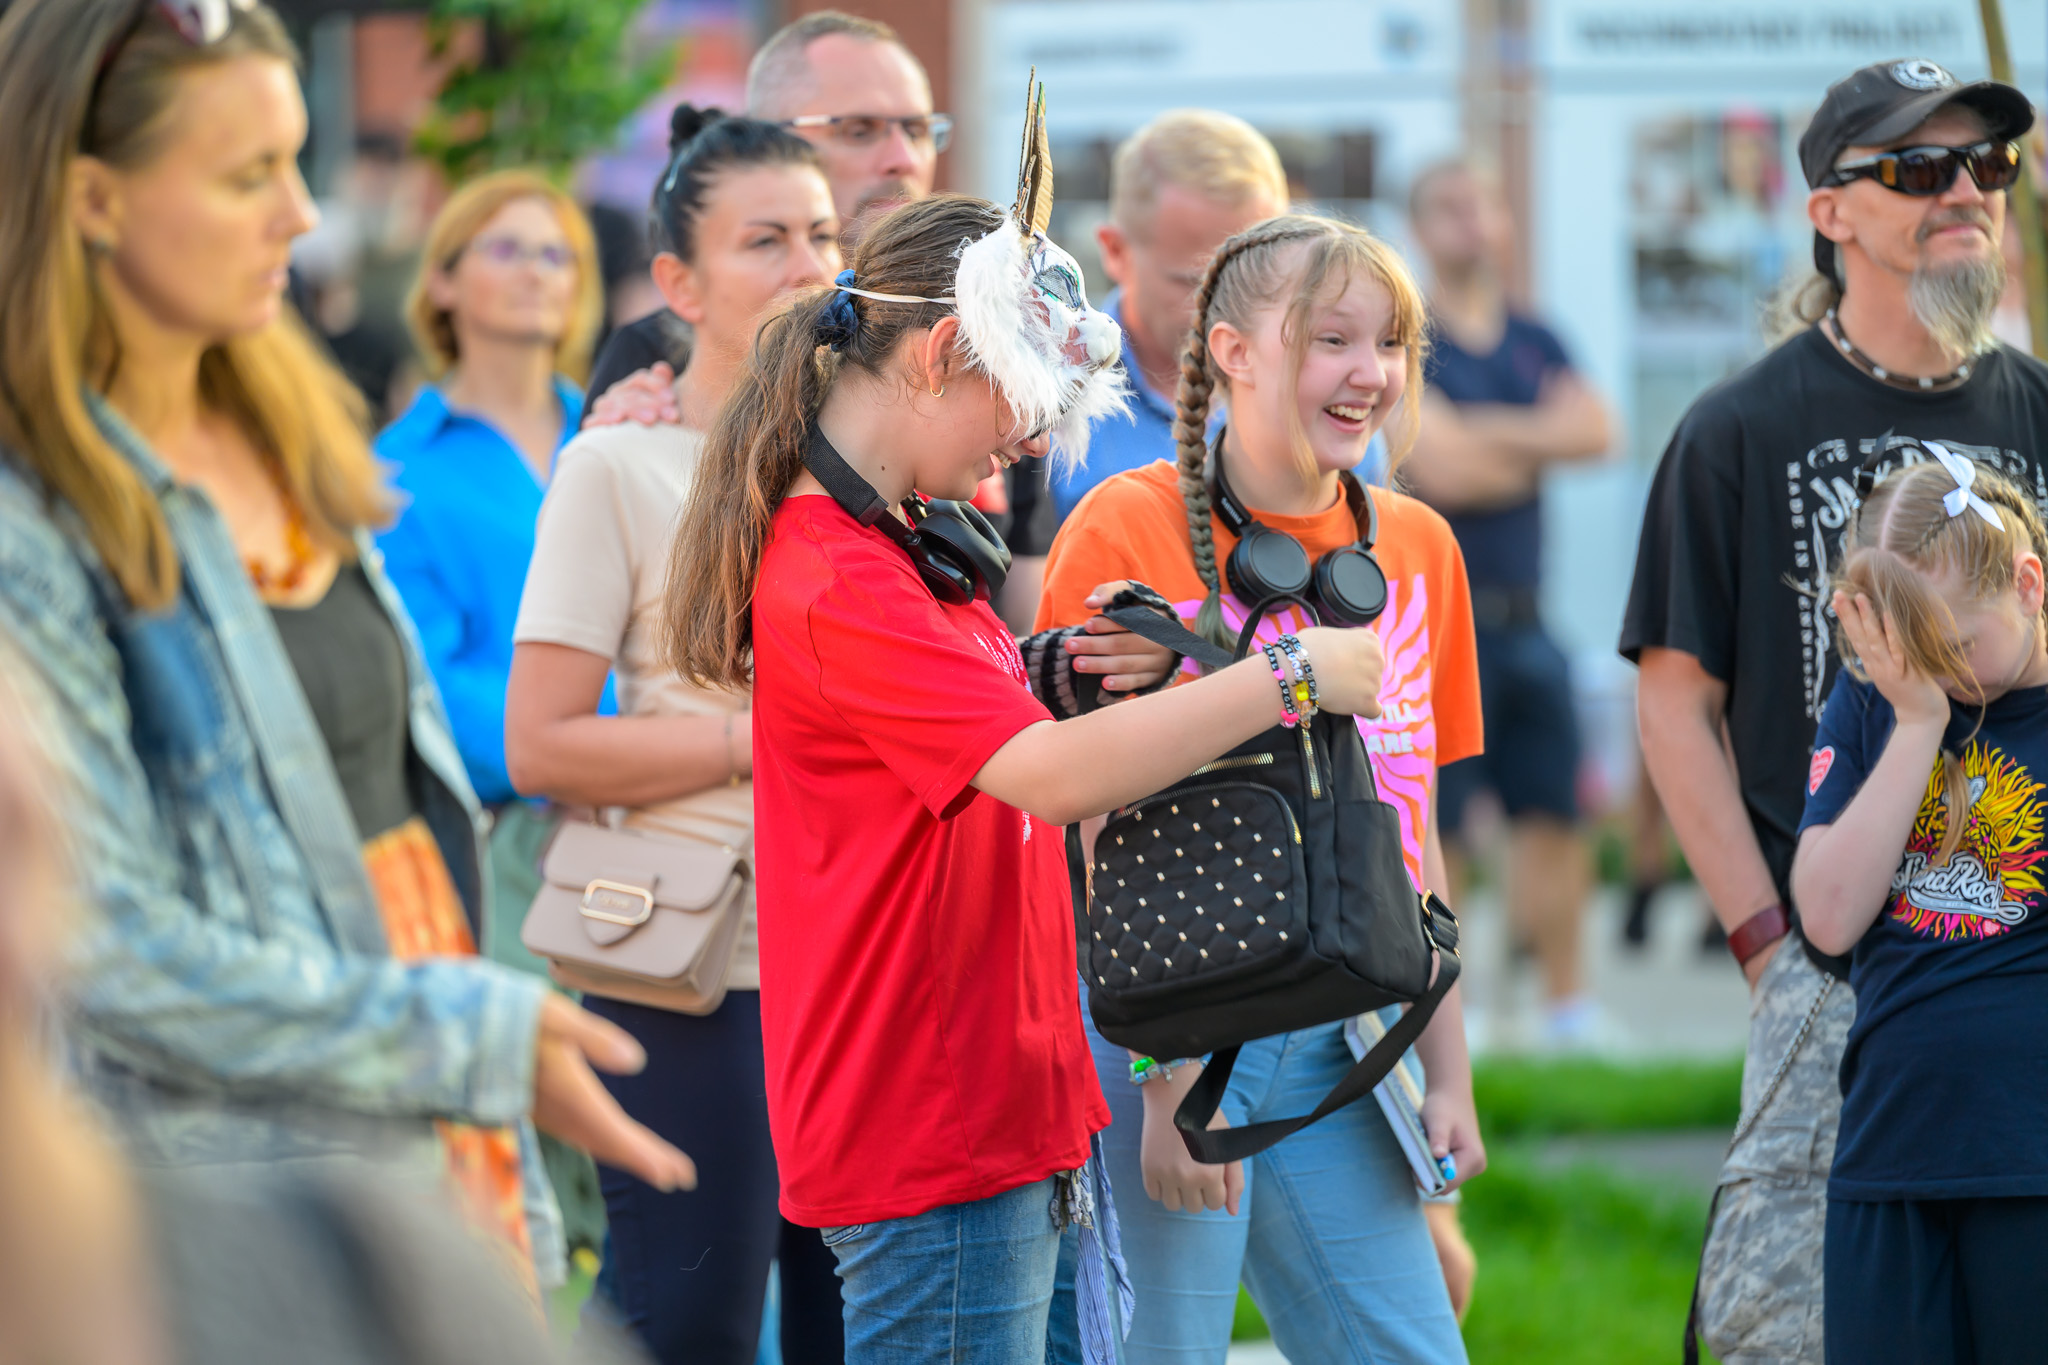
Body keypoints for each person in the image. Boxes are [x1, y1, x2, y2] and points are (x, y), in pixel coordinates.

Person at [0, 0, 690, 1294]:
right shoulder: (33, 521)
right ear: (91, 198)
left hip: (418, 1056)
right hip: (227, 1170)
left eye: (296, 162)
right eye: (246, 175)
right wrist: (460, 1030)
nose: (300, 213)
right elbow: (95, 942)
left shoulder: (288, 429)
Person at [659, 185, 1384, 1362]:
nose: (1033, 443)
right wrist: (1288, 677)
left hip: (996, 1100)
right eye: (1025, 397)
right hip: (935, 1120)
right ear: (943, 350)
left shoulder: (893, 535)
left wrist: (1067, 668)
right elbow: (1047, 778)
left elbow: (967, 733)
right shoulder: (840, 572)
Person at [1621, 59, 2046, 1364]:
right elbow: (1673, 708)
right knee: (1797, 1329)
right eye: (1918, 169)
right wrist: (1764, 943)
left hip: (2017, 967)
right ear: (1829, 212)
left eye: (1987, 165)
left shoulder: (2037, 409)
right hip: (1832, 953)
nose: (1962, 191)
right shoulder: (1738, 428)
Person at [1037, 212, 1485, 1362]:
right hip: (1172, 1038)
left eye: (1389, 343)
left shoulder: (1420, 547)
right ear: (1232, 352)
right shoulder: (1125, 524)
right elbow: (1091, 822)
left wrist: (1446, 1073)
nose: (1369, 372)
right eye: (1332, 339)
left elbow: (1413, 829)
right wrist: (1161, 1078)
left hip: (1350, 1033)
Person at [506, 106, 846, 1365]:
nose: (809, 266)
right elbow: (541, 746)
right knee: (690, 1323)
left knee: (851, 1330)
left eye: (823, 235)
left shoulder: (877, 476)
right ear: (678, 285)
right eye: (766, 241)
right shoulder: (616, 467)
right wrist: (763, 742)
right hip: (694, 956)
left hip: (856, 957)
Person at [1790, 453, 2048, 1363]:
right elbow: (1828, 918)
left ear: (2029, 585)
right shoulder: (1881, 701)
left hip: (2030, 1162)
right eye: (1913, 650)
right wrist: (1915, 724)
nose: (1939, 675)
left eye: (1956, 646)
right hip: (1891, 1155)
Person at [1399, 160, 1613, 1047]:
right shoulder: (1410, 337)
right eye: (1450, 207)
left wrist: (1479, 437)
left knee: (1555, 818)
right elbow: (1438, 468)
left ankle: (1570, 1012)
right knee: (1446, 831)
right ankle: (1466, 1016)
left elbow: (1598, 431)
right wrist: (1539, 440)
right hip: (1438, 628)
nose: (1472, 221)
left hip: (1529, 620)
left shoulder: (1537, 337)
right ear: (1419, 227)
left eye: (1483, 203)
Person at [375, 172, 603, 896]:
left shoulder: (625, 435)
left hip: (671, 808)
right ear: (442, 282)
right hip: (503, 838)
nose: (536, 271)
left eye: (556, 254)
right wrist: (596, 758)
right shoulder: (393, 472)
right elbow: (429, 684)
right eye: (506, 249)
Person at [583, 10, 945, 407]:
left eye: (918, 130)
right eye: (858, 130)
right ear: (769, 141)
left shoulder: (970, 319)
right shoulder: (656, 362)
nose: (904, 159)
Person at [1045, 110, 1289, 527]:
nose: (1234, 309)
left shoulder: (1319, 396)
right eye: (1196, 283)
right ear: (1115, 252)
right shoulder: (1042, 397)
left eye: (1261, 283)